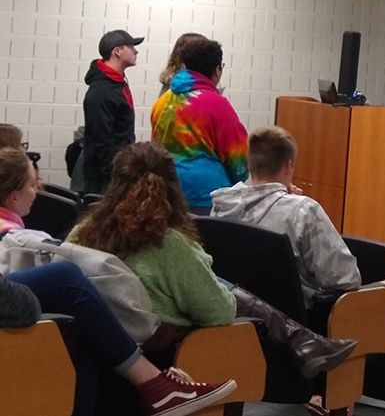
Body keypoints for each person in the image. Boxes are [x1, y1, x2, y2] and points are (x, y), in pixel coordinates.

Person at [211, 126, 385, 416]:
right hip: (313, 325)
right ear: (288, 166)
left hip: (252, 320)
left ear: (250, 163)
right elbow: (345, 279)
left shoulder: (221, 206)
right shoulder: (302, 210)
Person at [69, 142, 357, 380]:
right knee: (232, 317)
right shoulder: (168, 243)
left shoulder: (84, 230)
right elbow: (217, 312)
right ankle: (301, 340)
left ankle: (302, 339)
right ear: (172, 187)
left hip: (92, 354)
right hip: (164, 357)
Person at [0, 147, 237, 416]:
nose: (38, 189)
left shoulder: (83, 230)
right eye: (33, 184)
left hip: (87, 357)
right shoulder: (173, 245)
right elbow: (218, 312)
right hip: (159, 353)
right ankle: (159, 386)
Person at [151, 39, 247, 212]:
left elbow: (155, 149)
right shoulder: (217, 104)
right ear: (217, 70)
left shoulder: (162, 102)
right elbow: (239, 160)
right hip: (206, 199)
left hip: (167, 193)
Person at [82, 29, 144, 194]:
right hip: (105, 178)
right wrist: (115, 178)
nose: (136, 51)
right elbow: (101, 141)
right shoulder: (100, 92)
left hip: (119, 172)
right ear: (117, 51)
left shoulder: (117, 84)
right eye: (131, 47)